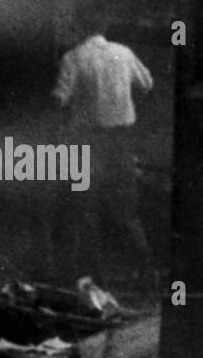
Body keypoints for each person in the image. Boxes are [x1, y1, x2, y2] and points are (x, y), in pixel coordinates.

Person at [50, 15, 154, 279]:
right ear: (103, 26)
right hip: (121, 139)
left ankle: (95, 275)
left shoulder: (73, 58)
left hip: (87, 141)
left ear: (81, 27)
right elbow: (147, 85)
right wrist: (125, 105)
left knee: (83, 207)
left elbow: (60, 99)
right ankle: (148, 272)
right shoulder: (124, 53)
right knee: (126, 208)